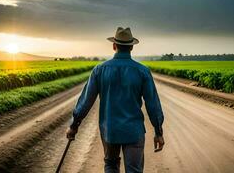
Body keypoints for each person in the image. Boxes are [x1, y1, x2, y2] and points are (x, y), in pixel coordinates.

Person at [67, 27, 164, 173]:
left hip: (110, 130)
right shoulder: (142, 71)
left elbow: (86, 101)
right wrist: (158, 132)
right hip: (134, 131)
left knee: (111, 166)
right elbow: (153, 105)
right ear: (132, 47)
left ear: (114, 46)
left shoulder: (99, 70)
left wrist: (74, 125)